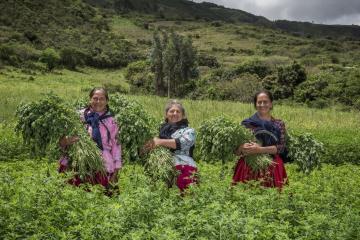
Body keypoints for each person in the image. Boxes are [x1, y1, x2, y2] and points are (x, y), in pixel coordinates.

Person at [58, 87, 122, 191]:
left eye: (102, 99)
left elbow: (116, 146)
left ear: (107, 101)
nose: (98, 101)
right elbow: (61, 139)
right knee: (71, 195)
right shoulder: (78, 115)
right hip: (75, 162)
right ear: (90, 99)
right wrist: (67, 140)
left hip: (102, 164)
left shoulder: (112, 121)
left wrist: (116, 171)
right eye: (95, 98)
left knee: (100, 199)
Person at [232, 90, 288, 189]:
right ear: (255, 104)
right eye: (259, 102)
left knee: (273, 199)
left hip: (273, 166)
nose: (262, 105)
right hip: (249, 166)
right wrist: (241, 147)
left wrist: (259, 150)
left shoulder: (279, 124)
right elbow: (236, 151)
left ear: (271, 104)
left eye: (265, 102)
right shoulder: (247, 123)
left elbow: (281, 147)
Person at [144, 100, 198, 193]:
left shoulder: (189, 131)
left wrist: (159, 142)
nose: (175, 113)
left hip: (184, 168)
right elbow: (145, 150)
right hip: (162, 170)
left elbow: (182, 143)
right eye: (172, 111)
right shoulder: (159, 131)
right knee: (164, 201)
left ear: (183, 115)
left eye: (178, 111)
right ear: (166, 114)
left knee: (186, 200)